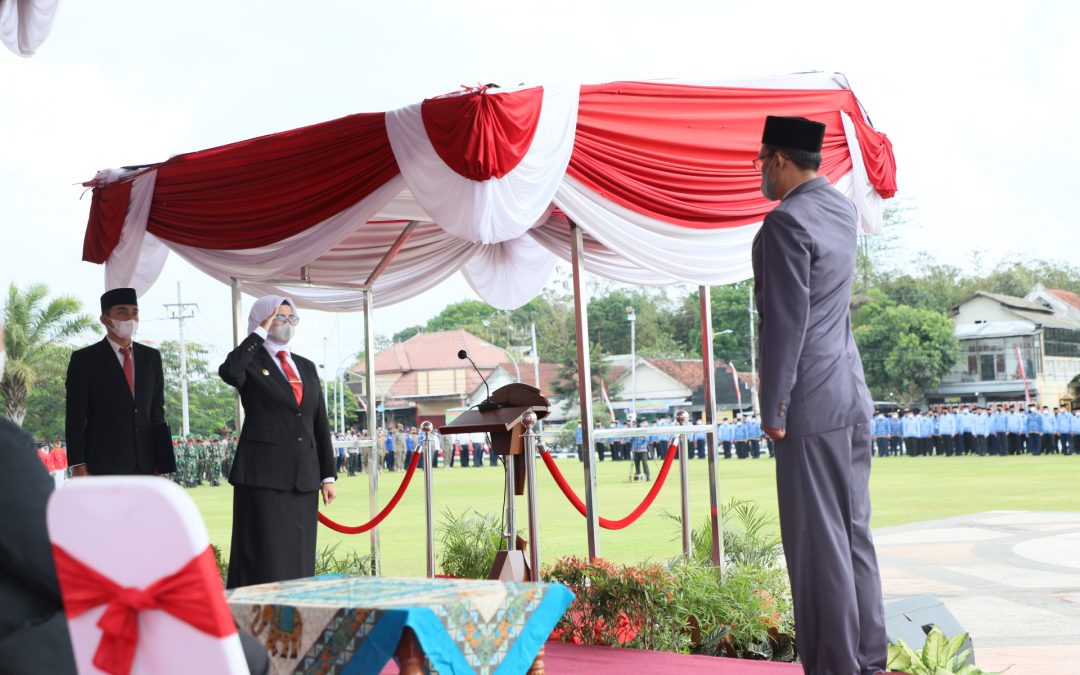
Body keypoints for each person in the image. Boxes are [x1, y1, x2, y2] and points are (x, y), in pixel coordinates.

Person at [751, 115, 885, 674]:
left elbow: (784, 325)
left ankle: (834, 666)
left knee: (816, 544)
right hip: (850, 396)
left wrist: (773, 408)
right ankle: (868, 659)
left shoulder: (785, 224)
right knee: (854, 533)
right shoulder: (841, 211)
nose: (758, 170)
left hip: (808, 402)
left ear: (780, 159)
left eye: (760, 160)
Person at [218, 296, 336, 589]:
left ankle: (297, 612)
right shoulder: (250, 362)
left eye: (290, 318)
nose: (285, 324)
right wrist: (258, 333)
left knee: (299, 556)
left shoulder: (306, 367)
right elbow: (229, 372)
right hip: (263, 476)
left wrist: (327, 475)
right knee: (265, 556)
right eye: (277, 317)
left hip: (304, 476)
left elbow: (318, 422)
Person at [65, 288, 170, 476]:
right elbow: (75, 417)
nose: (130, 318)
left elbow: (156, 410)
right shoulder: (85, 359)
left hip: (146, 464)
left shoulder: (151, 357)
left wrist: (162, 461)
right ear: (105, 320)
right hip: (103, 464)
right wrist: (78, 464)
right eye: (122, 312)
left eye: (134, 312)